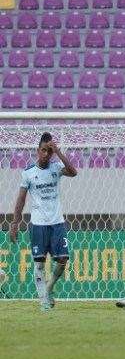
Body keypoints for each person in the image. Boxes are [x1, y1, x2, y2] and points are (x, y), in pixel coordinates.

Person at [10, 132, 78, 311]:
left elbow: (73, 172)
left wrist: (59, 152)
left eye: (49, 151)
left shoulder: (56, 168)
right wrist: (15, 224)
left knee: (62, 259)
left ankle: (49, 287)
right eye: (43, 150)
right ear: (38, 150)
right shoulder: (28, 173)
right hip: (38, 224)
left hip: (57, 223)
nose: (46, 154)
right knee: (39, 263)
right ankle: (43, 301)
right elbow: (21, 199)